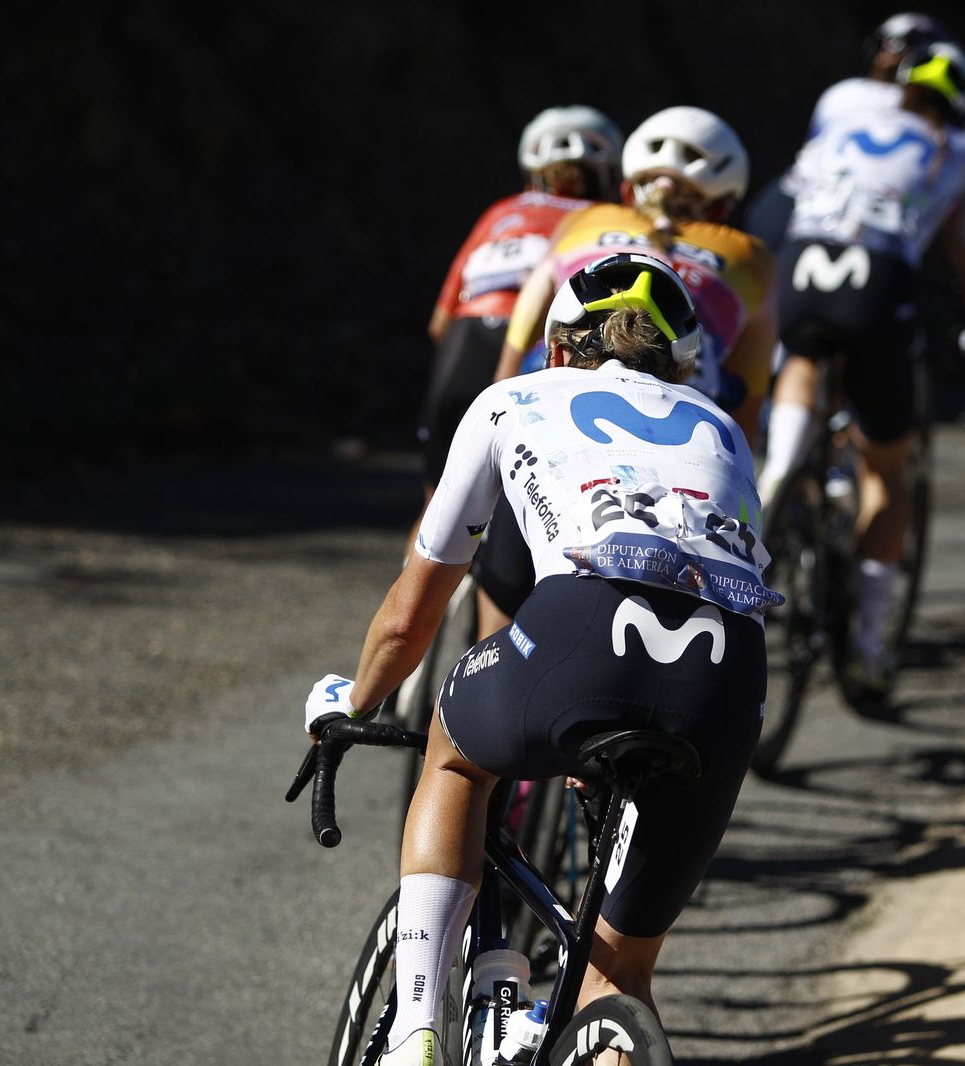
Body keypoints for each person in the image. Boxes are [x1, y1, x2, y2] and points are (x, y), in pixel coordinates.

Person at [303, 253, 777, 1066]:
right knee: (617, 977)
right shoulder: (722, 425)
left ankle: (416, 1026)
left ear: (557, 348)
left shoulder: (509, 401)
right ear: (679, 364)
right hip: (728, 675)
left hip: (585, 629)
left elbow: (408, 619)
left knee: (455, 760)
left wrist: (358, 706)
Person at [753, 38, 965, 699]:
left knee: (805, 357)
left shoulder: (845, 114)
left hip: (798, 260)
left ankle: (780, 474)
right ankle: (868, 646)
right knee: (886, 468)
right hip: (878, 280)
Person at [474, 106, 779, 639]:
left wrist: (495, 399)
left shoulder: (585, 224)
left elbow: (524, 327)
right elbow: (750, 392)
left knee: (499, 615)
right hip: (666, 467)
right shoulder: (750, 256)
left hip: (543, 418)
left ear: (626, 185)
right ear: (727, 201)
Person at [418, 105, 623, 501]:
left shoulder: (501, 212)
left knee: (439, 499)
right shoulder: (608, 216)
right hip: (541, 339)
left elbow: (439, 322)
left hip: (467, 338)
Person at [743, 12, 955, 251]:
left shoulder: (908, 110)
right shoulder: (845, 92)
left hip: (845, 210)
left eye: (906, 46)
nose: (893, 51)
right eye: (890, 42)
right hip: (807, 198)